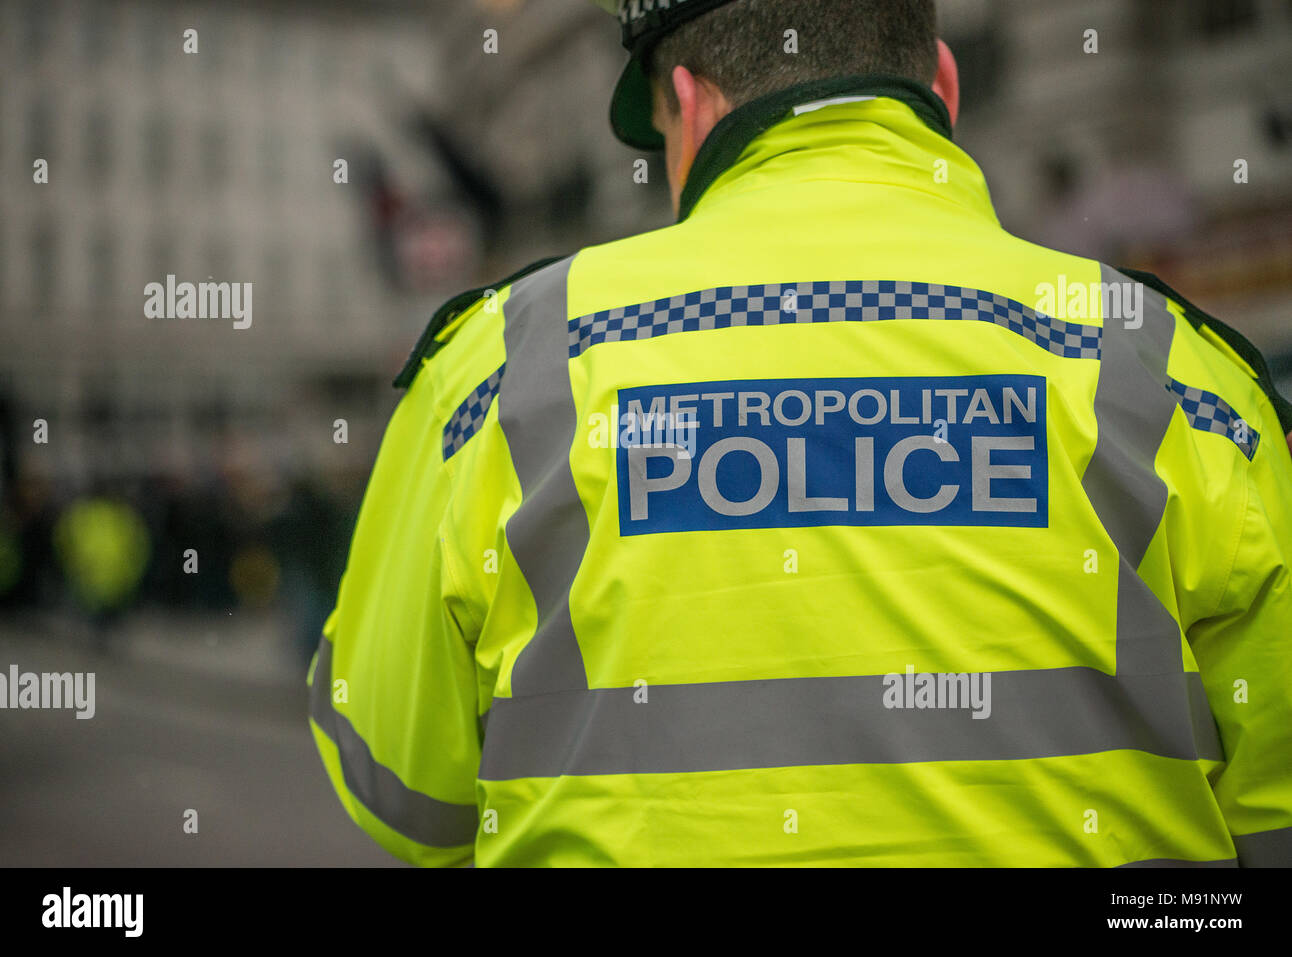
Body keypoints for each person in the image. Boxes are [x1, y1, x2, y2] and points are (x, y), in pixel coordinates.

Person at [309, 0, 1292, 867]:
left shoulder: (497, 375)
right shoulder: (1170, 375)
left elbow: (402, 788)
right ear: (940, 83)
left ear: (687, 106)